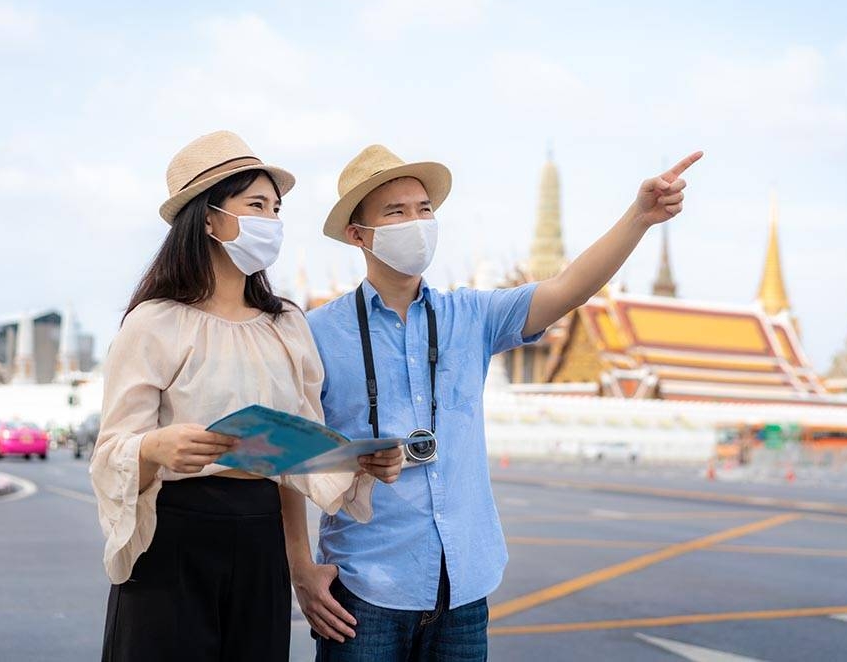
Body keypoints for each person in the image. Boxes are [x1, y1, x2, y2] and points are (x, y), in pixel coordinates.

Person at [300, 144, 702, 660]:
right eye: (396, 213)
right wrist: (302, 571)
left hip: (465, 584)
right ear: (358, 235)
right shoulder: (316, 333)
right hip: (365, 588)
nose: (417, 223)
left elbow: (567, 290)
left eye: (425, 210)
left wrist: (639, 218)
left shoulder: (471, 316)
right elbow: (292, 459)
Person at [90, 131, 402, 662]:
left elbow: (297, 449)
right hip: (176, 534)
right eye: (256, 205)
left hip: (260, 538)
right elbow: (111, 449)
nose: (272, 221)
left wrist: (359, 460)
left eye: (276, 209)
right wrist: (153, 448)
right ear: (208, 218)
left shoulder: (286, 325)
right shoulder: (154, 323)